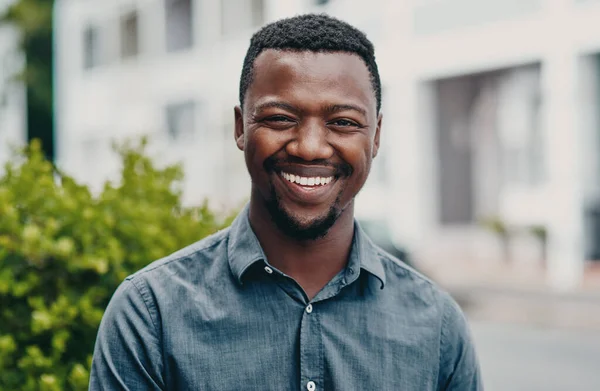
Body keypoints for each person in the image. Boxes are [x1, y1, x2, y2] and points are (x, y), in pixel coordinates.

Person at [89, 14, 482, 391]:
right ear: (241, 127)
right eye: (280, 118)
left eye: (343, 122)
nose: (309, 147)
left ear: (376, 136)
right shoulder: (150, 314)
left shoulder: (438, 327)